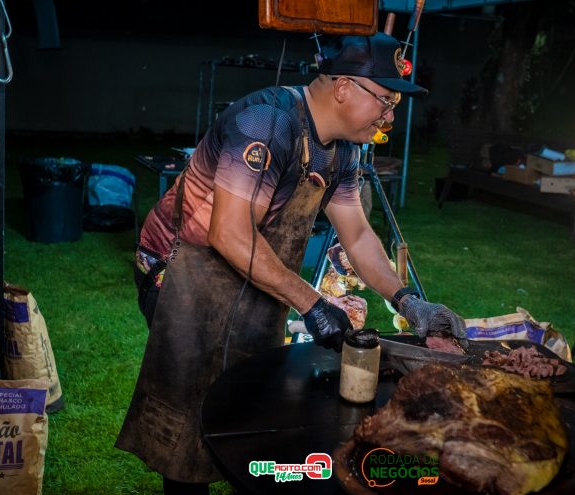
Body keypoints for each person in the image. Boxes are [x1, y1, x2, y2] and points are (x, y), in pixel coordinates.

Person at [116, 32, 467, 495]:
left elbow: (358, 234)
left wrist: (406, 300)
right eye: (385, 101)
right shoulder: (266, 121)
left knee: (253, 400)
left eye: (395, 105)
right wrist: (312, 303)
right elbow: (229, 233)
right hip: (182, 271)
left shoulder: (344, 148)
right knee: (188, 414)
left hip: (255, 275)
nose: (390, 116)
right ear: (344, 87)